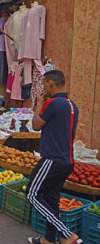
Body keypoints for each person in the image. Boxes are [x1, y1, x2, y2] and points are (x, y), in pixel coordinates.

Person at [26, 70, 81, 244]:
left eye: (44, 84)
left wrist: (40, 104)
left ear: (51, 83)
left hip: (52, 159)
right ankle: (49, 239)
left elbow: (35, 125)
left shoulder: (53, 103)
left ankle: (66, 234)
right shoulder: (72, 105)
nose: (43, 87)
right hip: (67, 160)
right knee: (51, 199)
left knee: (32, 194)